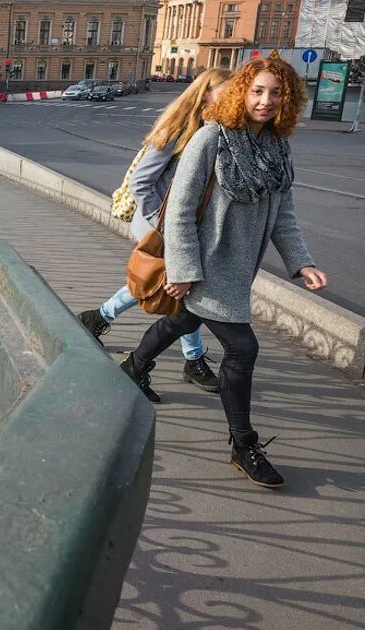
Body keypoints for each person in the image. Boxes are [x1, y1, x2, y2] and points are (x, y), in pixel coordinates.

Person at [119, 56, 327, 489]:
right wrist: (183, 269)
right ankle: (242, 443)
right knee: (243, 349)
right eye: (257, 91)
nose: (266, 101)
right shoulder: (211, 138)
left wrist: (301, 262)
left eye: (276, 93)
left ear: (288, 100)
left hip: (238, 267)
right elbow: (177, 210)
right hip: (205, 265)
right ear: (241, 92)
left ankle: (134, 365)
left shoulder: (276, 147)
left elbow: (283, 214)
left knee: (182, 320)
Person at [78, 68, 233, 397]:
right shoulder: (179, 130)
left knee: (172, 290)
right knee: (177, 291)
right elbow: (141, 182)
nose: (234, 96)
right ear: (206, 93)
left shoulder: (216, 131)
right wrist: (161, 223)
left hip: (184, 228)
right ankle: (188, 360)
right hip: (161, 227)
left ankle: (100, 318)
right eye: (227, 90)